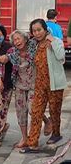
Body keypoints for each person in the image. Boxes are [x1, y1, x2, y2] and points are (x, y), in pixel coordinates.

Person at [0, 30, 52, 149]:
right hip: (19, 85)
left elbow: (44, 32)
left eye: (19, 38)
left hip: (34, 84)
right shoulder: (12, 52)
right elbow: (3, 63)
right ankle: (24, 138)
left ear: (24, 38)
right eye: (14, 40)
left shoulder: (33, 45)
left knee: (33, 109)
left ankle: (47, 121)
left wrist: (49, 37)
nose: (17, 42)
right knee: (21, 113)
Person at [20, 19, 67, 153]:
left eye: (39, 30)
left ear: (45, 29)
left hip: (55, 84)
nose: (37, 33)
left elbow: (61, 57)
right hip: (40, 84)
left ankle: (56, 134)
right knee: (36, 112)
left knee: (54, 111)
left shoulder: (55, 41)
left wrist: (52, 41)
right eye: (34, 31)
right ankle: (32, 143)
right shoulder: (34, 45)